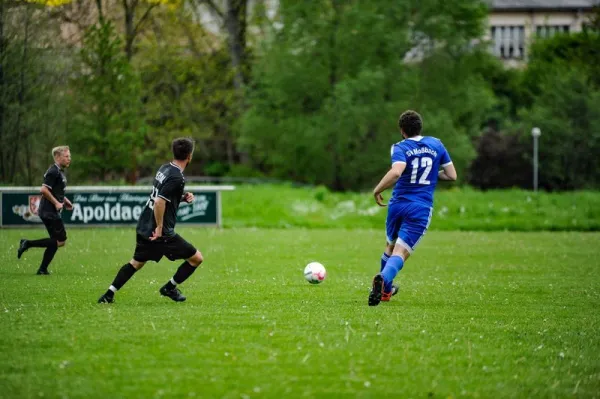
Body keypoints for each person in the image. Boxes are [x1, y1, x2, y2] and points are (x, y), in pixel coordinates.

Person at [98, 137, 203, 303]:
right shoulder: (177, 177)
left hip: (145, 225)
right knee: (196, 258)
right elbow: (159, 201)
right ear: (189, 156)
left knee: (136, 263)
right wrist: (160, 227)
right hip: (160, 232)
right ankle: (169, 288)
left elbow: (162, 196)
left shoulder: (165, 168)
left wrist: (181, 198)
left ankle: (109, 294)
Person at [368, 110, 457, 306]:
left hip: (397, 204)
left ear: (402, 130)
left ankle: (386, 291)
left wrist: (378, 189)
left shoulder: (400, 147)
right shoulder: (436, 144)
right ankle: (383, 279)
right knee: (400, 252)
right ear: (420, 127)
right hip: (420, 207)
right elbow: (451, 175)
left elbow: (397, 171)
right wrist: (433, 174)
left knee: (390, 246)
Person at [17, 146, 73, 275]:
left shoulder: (60, 172)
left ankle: (42, 269)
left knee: (54, 241)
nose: (69, 159)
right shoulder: (53, 171)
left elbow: (55, 190)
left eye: (69, 156)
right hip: (49, 211)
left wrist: (64, 200)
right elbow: (43, 190)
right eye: (66, 156)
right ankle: (28, 243)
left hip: (49, 210)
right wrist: (57, 203)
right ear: (58, 157)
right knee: (60, 240)